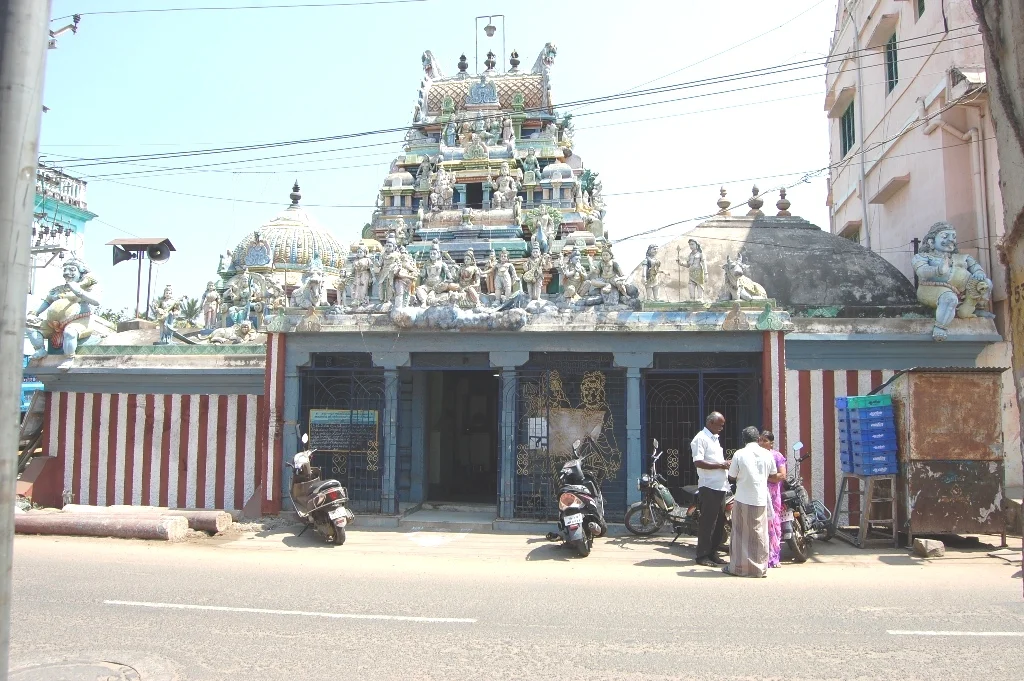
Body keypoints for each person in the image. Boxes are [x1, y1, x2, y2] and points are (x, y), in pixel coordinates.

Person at [723, 426, 777, 578]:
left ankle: (738, 568)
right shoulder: (767, 454)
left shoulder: (739, 454)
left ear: (744, 439)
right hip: (760, 499)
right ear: (758, 438)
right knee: (759, 533)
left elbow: (732, 476)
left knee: (740, 534)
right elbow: (773, 474)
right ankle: (760, 568)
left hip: (743, 498)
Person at [691, 412, 731, 567]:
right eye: (719, 425)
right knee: (708, 523)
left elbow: (715, 460)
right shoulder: (700, 439)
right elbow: (698, 462)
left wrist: (724, 463)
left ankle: (713, 553)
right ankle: (702, 556)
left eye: (723, 425)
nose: (721, 428)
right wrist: (721, 465)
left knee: (719, 523)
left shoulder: (714, 439)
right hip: (709, 487)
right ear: (710, 423)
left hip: (721, 486)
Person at [759, 430, 787, 569]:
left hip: (773, 495)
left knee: (773, 524)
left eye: (765, 440)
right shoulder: (756, 455)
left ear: (771, 443)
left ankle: (774, 557)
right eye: (760, 440)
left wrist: (766, 477)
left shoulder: (777, 456)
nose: (761, 443)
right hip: (758, 493)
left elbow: (782, 475)